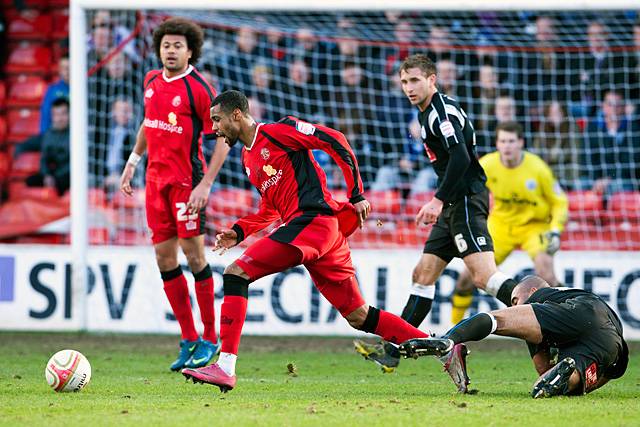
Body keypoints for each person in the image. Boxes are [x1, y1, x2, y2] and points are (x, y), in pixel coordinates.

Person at [181, 90, 431, 391]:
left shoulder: (278, 132)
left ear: (237, 114)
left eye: (217, 120)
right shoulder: (249, 159)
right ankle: (442, 346)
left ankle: (225, 367)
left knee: (236, 274)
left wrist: (357, 193)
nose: (215, 129)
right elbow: (271, 209)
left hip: (315, 222)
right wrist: (241, 231)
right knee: (358, 315)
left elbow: (334, 139)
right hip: (319, 234)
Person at [354, 54, 519, 372]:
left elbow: (460, 157)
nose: (408, 87)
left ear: (432, 80)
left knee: (484, 277)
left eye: (414, 80)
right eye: (404, 82)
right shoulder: (427, 113)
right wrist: (441, 203)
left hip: (466, 201)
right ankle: (393, 350)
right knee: (423, 275)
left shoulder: (440, 112)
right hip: (453, 205)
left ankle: (542, 314)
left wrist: (437, 200)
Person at [119, 18, 230, 372]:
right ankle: (188, 338)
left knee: (194, 257)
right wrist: (134, 161)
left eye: (177, 45)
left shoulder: (199, 88)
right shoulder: (151, 80)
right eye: (166, 45)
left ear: (190, 50)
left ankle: (211, 337)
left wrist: (206, 183)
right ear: (159, 49)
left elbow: (225, 138)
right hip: (155, 184)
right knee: (165, 259)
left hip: (186, 183)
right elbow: (149, 123)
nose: (171, 50)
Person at [399, 276, 629, 398]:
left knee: (497, 319)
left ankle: (448, 339)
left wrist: (522, 310)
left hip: (579, 312)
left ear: (530, 292)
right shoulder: (569, 292)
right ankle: (570, 373)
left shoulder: (539, 297)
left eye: (515, 301)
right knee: (544, 386)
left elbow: (540, 365)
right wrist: (586, 380)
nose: (514, 306)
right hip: (613, 343)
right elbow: (612, 372)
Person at [450, 121, 568, 324]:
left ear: (521, 142)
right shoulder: (487, 164)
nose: (507, 146)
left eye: (511, 141)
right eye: (503, 141)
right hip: (501, 225)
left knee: (546, 274)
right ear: (497, 143)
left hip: (535, 225)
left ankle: (565, 322)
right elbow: (464, 188)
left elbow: (560, 202)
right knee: (466, 278)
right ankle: (451, 334)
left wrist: (556, 230)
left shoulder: (537, 168)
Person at [23, 97, 70, 196]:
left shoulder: (76, 136)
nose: (60, 118)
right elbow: (44, 159)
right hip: (53, 175)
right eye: (56, 115)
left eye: (63, 114)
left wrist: (56, 178)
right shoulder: (48, 135)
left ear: (70, 114)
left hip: (68, 176)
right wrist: (47, 176)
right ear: (52, 117)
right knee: (30, 181)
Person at [40, 56, 69, 133]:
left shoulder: (84, 90)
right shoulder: (52, 90)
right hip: (58, 136)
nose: (67, 72)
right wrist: (44, 138)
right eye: (64, 68)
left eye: (69, 68)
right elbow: (46, 116)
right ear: (59, 70)